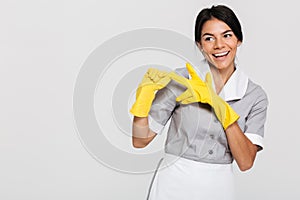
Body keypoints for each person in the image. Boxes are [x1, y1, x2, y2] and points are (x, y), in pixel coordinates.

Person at [130, 4, 268, 200]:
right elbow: (140, 141)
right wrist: (142, 104)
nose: (219, 45)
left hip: (219, 187)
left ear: (239, 40)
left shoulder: (254, 95)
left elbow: (246, 162)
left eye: (227, 35)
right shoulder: (181, 80)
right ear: (199, 45)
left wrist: (223, 111)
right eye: (209, 38)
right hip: (172, 183)